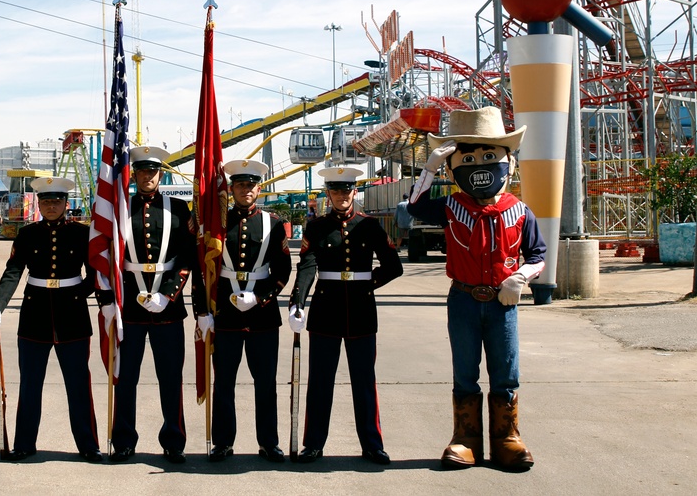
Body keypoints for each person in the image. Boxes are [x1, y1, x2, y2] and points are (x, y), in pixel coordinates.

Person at [407, 106, 545, 471]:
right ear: (454, 167)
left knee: (506, 370)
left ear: (508, 163)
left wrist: (521, 278)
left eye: (489, 155)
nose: (480, 164)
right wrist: (429, 167)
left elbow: (539, 255)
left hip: (503, 301)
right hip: (464, 298)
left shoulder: (520, 211)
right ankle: (465, 438)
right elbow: (414, 206)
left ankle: (507, 438)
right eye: (467, 157)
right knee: (464, 369)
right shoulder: (451, 206)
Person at [289, 166, 403, 466]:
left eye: (347, 190)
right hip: (326, 309)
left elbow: (394, 266)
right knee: (320, 381)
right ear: (328, 194)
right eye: (336, 191)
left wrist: (367, 283)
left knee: (364, 381)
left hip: (362, 310)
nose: (342, 196)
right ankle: (313, 444)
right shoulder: (316, 228)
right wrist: (297, 301)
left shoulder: (370, 226)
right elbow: (307, 266)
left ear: (355, 192)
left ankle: (372, 445)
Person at [0, 177, 102, 463]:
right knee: (30, 383)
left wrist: (78, 294)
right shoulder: (27, 234)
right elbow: (14, 271)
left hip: (72, 314)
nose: (51, 206)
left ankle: (88, 445)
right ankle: (24, 443)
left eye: (56, 201)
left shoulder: (82, 233)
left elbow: (96, 273)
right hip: (35, 313)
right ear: (38, 203)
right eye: (46, 202)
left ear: (66, 204)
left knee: (78, 383)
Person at [99, 145, 196, 464]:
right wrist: (109, 301)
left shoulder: (180, 210)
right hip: (130, 308)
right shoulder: (119, 208)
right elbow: (107, 254)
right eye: (141, 171)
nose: (147, 177)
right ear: (134, 174)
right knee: (125, 378)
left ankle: (174, 441)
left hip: (167, 307)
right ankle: (124, 440)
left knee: (171, 378)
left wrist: (168, 292)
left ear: (161, 174)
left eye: (152, 172)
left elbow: (188, 256)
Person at [192, 159, 292, 463]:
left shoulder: (274, 223)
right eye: (240, 185)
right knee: (224, 383)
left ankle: (269, 442)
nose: (245, 190)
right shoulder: (217, 223)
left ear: (259, 189)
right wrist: (202, 310)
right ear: (231, 188)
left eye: (250, 185)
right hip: (226, 313)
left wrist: (261, 297)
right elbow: (202, 269)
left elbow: (283, 271)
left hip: (262, 315)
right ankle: (223, 442)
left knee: (266, 383)